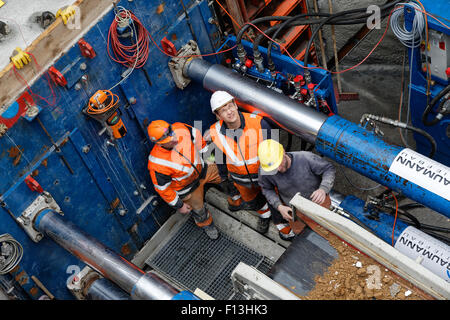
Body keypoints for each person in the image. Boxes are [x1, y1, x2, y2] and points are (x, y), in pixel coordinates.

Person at [205, 90, 275, 234]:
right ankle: (265, 215)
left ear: (236, 105)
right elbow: (219, 158)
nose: (229, 112)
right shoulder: (214, 133)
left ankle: (283, 226)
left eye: (230, 106)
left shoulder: (259, 123)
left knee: (276, 200)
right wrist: (224, 177)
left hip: (267, 177)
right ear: (218, 116)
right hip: (242, 181)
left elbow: (275, 151)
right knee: (255, 202)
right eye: (223, 110)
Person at [147, 120, 222, 240]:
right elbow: (163, 190)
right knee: (199, 211)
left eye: (172, 134)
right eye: (168, 140)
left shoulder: (181, 129)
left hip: (204, 169)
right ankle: (207, 225)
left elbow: (198, 138)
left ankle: (237, 197)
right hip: (188, 189)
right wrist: (179, 205)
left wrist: (208, 157)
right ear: (158, 143)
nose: (174, 139)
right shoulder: (157, 163)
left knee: (226, 175)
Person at [257, 139, 336, 241]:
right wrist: (279, 206)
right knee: (300, 233)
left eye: (279, 163)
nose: (278, 169)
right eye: (274, 168)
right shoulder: (266, 169)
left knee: (326, 229)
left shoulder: (305, 158)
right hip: (294, 210)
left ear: (283, 152)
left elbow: (328, 169)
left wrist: (323, 189)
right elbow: (267, 188)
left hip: (319, 202)